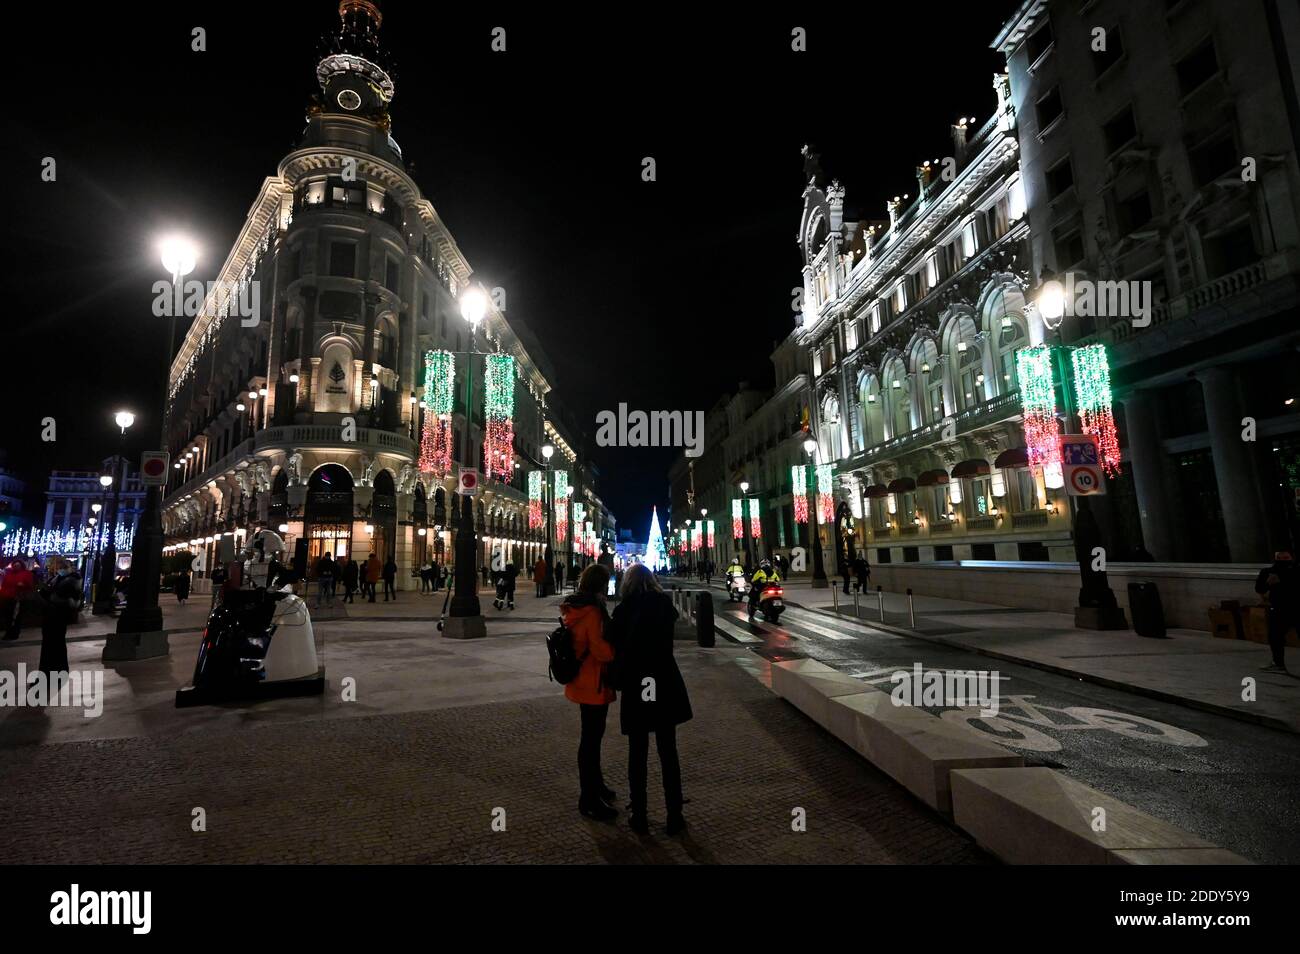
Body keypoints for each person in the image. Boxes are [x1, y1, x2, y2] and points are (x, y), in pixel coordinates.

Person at [607, 564, 693, 835]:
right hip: (662, 681)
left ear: (628, 583)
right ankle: (674, 814)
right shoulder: (664, 606)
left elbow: (611, 643)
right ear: (652, 581)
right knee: (668, 750)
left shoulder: (624, 610)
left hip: (637, 684)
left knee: (638, 751)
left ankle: (640, 814)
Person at [561, 563, 618, 821]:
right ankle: (589, 798)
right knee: (591, 741)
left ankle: (596, 786)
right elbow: (601, 651)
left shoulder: (575, 608)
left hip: (582, 681)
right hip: (593, 682)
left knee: (591, 738)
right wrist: (617, 650)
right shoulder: (592, 613)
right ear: (599, 585)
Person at [37, 557, 80, 678]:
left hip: (58, 616)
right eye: (59, 567)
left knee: (55, 645)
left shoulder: (71, 580)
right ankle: (53, 672)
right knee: (51, 646)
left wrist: (52, 597)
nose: (60, 569)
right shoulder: (57, 578)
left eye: (63, 567)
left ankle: (53, 673)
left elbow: (71, 601)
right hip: (50, 615)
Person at [1255, 550, 1298, 673]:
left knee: (1276, 636)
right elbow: (1259, 588)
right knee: (1275, 636)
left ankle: (1278, 664)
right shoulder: (1268, 572)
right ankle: (1278, 663)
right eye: (1280, 558)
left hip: (1293, 607)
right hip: (1280, 608)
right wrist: (1268, 584)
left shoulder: (1295, 571)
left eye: (1286, 557)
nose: (1283, 560)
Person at [1, 558, 36, 640]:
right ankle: (8, 632)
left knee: (17, 618)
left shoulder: (26, 574)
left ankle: (14, 633)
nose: (16, 567)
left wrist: (23, 585)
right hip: (8, 598)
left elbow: (30, 586)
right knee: (8, 617)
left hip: (19, 599)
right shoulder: (9, 575)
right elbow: (4, 586)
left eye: (18, 565)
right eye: (15, 565)